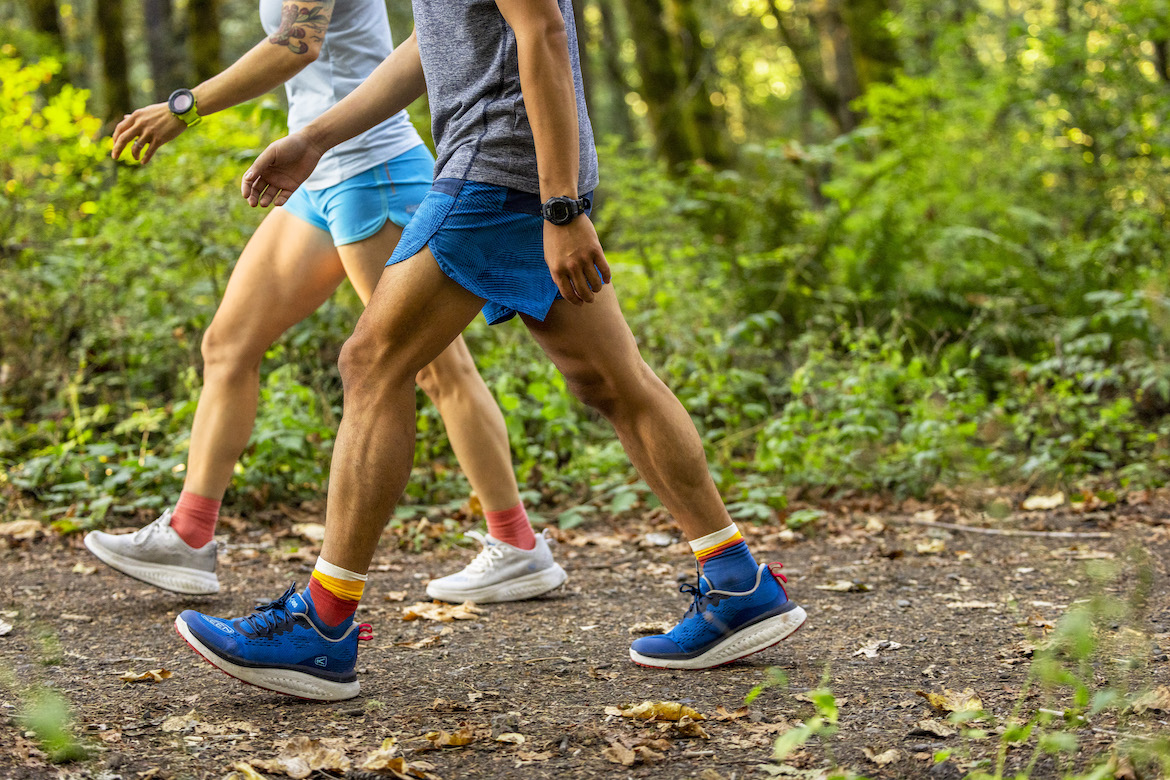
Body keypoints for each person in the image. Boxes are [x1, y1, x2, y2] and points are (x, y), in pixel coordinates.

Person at [173, 0, 806, 702]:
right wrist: (318, 136)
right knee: (611, 382)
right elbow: (434, 44)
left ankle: (322, 626)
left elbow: (541, 29)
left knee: (371, 363)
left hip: (498, 172)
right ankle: (737, 580)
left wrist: (560, 208)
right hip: (515, 169)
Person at [83, 0, 565, 607]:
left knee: (435, 368)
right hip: (321, 177)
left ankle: (517, 546)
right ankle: (189, 532)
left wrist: (187, 106)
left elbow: (297, 44)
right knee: (229, 343)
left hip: (375, 170)